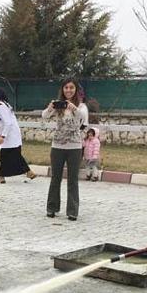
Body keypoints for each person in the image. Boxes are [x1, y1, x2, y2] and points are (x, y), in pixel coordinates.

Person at [42, 78, 89, 220]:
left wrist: (74, 109)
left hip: (74, 147)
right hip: (57, 146)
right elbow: (44, 116)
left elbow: (84, 121)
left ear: (76, 90)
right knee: (55, 178)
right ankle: (52, 208)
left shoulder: (81, 106)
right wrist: (51, 107)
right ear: (62, 90)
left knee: (72, 179)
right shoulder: (59, 105)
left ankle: (72, 211)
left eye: (71, 87)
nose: (68, 90)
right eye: (66, 88)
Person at [0, 88, 35, 184]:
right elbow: (2, 123)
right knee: (15, 155)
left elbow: (8, 123)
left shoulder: (2, 107)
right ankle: (28, 172)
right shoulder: (3, 105)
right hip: (11, 135)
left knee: (6, 155)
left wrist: (3, 136)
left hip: (10, 135)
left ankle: (1, 177)